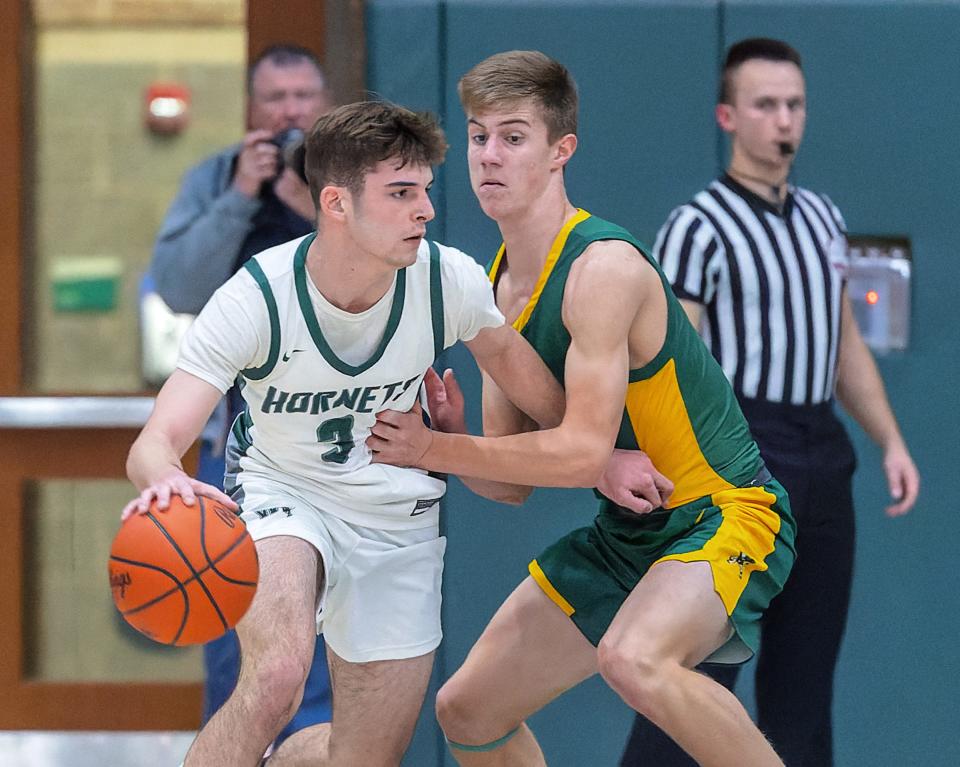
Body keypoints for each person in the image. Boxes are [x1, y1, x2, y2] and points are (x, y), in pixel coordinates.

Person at [368, 50, 796, 767]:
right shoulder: (497, 287)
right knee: (468, 709)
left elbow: (579, 452)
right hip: (628, 534)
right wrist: (454, 437)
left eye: (512, 137)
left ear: (561, 150)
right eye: (477, 137)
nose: (488, 156)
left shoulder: (603, 269)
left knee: (634, 658)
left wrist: (431, 450)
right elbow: (510, 483)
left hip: (725, 513)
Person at [124, 100, 568, 766]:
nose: (425, 210)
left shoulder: (447, 280)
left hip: (396, 509)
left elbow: (552, 408)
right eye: (400, 193)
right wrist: (171, 486)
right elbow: (153, 443)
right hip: (283, 492)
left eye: (423, 191)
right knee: (275, 680)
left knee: (359, 757)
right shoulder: (258, 298)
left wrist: (466, 442)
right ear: (336, 202)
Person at [619, 38, 920, 767]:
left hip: (821, 453)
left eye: (794, 104)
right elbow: (670, 360)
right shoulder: (699, 226)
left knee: (804, 688)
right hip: (738, 459)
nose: (784, 119)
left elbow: (844, 345)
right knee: (695, 675)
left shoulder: (822, 216)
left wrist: (890, 440)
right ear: (729, 115)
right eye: (765, 104)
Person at [149, 43, 336, 746]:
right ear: (253, 110)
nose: (291, 111)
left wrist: (314, 203)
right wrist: (240, 199)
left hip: (332, 448)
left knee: (315, 647)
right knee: (233, 639)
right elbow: (177, 287)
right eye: (276, 98)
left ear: (325, 105)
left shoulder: (348, 184)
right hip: (232, 448)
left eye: (303, 97)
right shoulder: (218, 180)